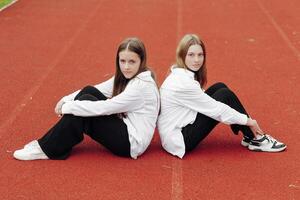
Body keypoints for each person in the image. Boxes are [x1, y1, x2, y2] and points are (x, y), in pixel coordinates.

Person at [14, 37, 160, 160]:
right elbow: (98, 89)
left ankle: (48, 148)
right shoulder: (128, 76)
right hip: (126, 125)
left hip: (130, 143)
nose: (126, 67)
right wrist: (66, 99)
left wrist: (68, 107)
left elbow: (106, 107)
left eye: (132, 62)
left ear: (142, 61)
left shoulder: (142, 86)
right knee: (88, 92)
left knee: (82, 108)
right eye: (122, 61)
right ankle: (59, 138)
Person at [158, 34, 286, 158]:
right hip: (180, 139)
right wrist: (249, 121)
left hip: (176, 129)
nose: (196, 60)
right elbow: (216, 109)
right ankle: (257, 138)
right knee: (224, 95)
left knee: (220, 86)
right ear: (182, 56)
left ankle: (249, 136)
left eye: (200, 55)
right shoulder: (184, 83)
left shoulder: (179, 74)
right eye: (191, 55)